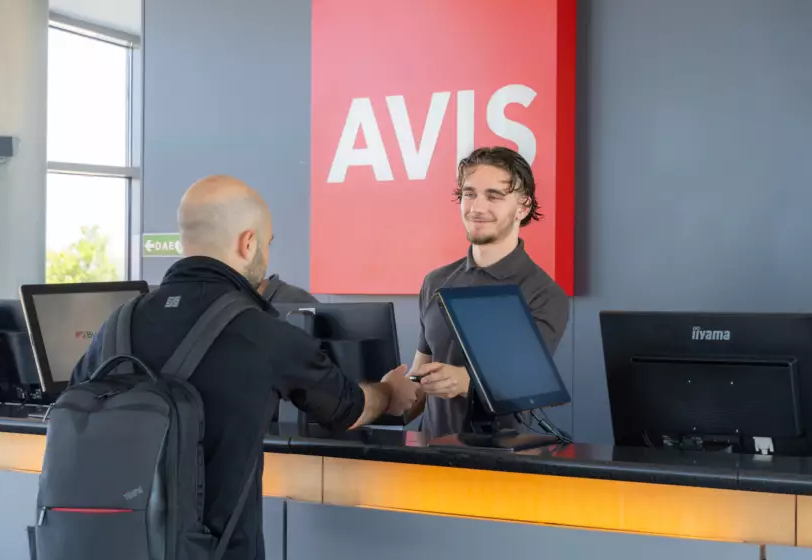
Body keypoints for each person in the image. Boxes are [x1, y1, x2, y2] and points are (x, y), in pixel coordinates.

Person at [69, 174, 418, 560]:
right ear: (247, 243)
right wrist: (389, 392)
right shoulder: (264, 332)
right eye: (266, 245)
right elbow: (348, 408)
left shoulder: (118, 322)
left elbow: (76, 401)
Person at [407, 146, 569, 439]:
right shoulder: (436, 281)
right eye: (469, 194)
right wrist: (371, 397)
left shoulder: (542, 293)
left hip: (501, 463)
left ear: (523, 207)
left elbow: (528, 382)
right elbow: (418, 380)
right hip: (428, 461)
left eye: (494, 196)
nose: (476, 207)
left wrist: (466, 380)